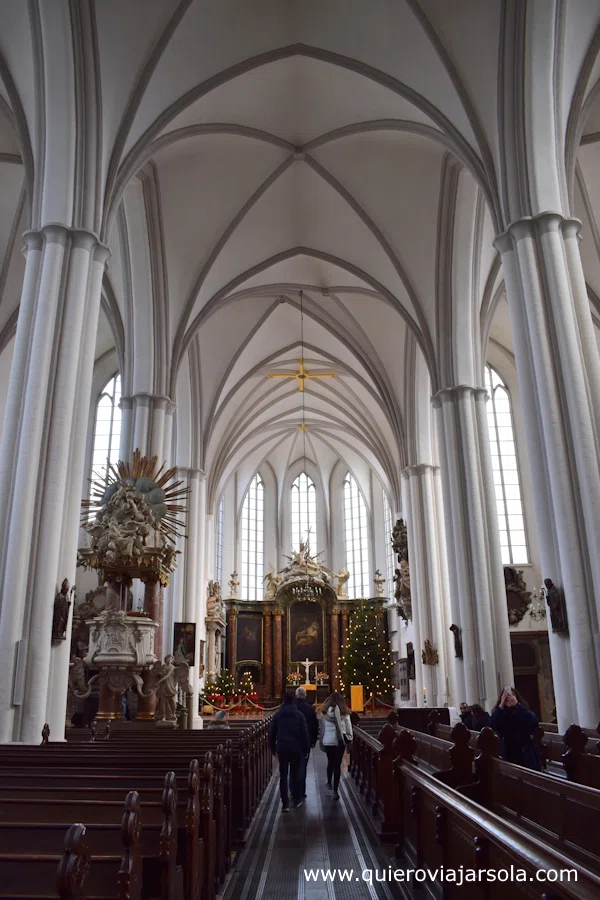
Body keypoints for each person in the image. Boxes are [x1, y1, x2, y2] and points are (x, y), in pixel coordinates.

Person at [269, 692, 310, 811]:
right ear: (293, 701)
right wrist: (306, 749)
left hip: (282, 748)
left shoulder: (277, 715)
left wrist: (272, 748)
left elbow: (272, 732)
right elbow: (304, 734)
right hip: (296, 748)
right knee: (295, 774)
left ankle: (285, 803)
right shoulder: (299, 715)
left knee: (283, 775)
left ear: (283, 701)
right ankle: (297, 800)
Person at [490, 687, 541, 771]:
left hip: (524, 750)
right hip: (507, 750)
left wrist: (518, 706)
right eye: (506, 697)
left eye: (512, 696)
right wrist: (501, 707)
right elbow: (492, 725)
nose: (509, 699)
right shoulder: (500, 712)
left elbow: (533, 721)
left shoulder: (522, 709)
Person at [319, 691, 353, 799]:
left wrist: (322, 739)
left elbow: (322, 728)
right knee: (337, 765)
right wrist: (350, 739)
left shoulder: (324, 713)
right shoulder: (344, 713)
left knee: (330, 761)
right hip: (339, 741)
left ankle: (329, 781)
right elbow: (348, 728)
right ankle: (335, 791)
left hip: (328, 741)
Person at [289, 687, 319, 800]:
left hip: (291, 741)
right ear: (305, 695)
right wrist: (314, 740)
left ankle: (292, 790)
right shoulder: (310, 708)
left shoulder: (291, 707)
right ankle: (301, 791)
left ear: (296, 695)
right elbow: (315, 726)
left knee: (292, 767)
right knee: (303, 766)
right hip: (305, 741)